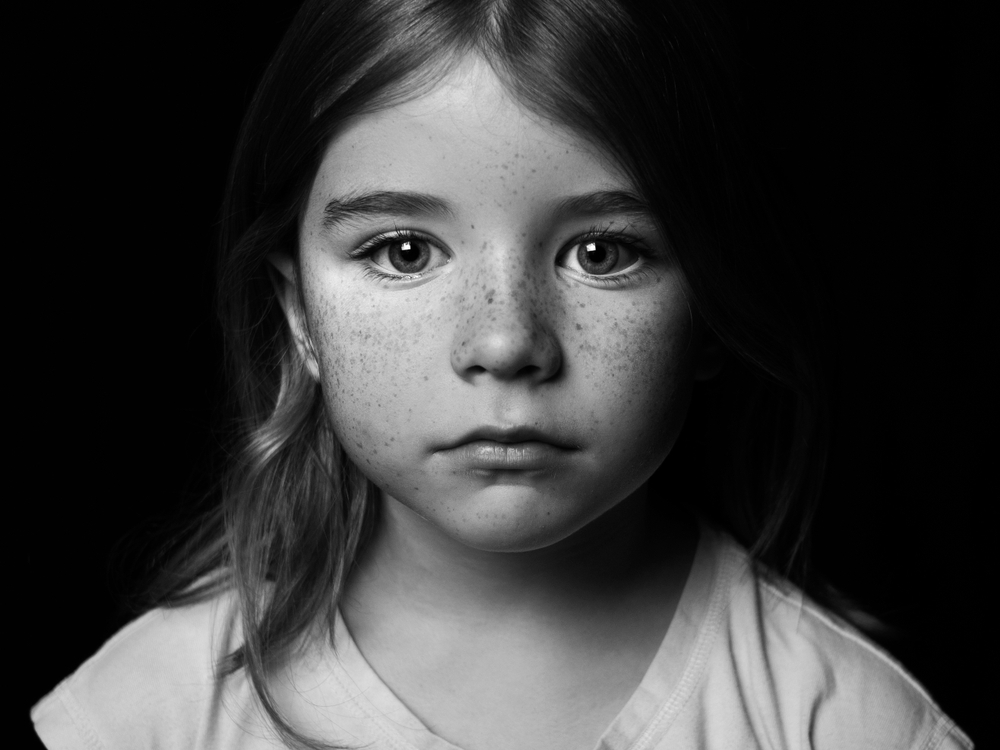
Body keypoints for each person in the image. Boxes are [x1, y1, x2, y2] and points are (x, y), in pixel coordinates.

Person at [31, 0, 973, 748]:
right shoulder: (143, 717)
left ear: (714, 304)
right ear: (299, 316)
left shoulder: (846, 723)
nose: (505, 341)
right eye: (403, 251)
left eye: (603, 252)